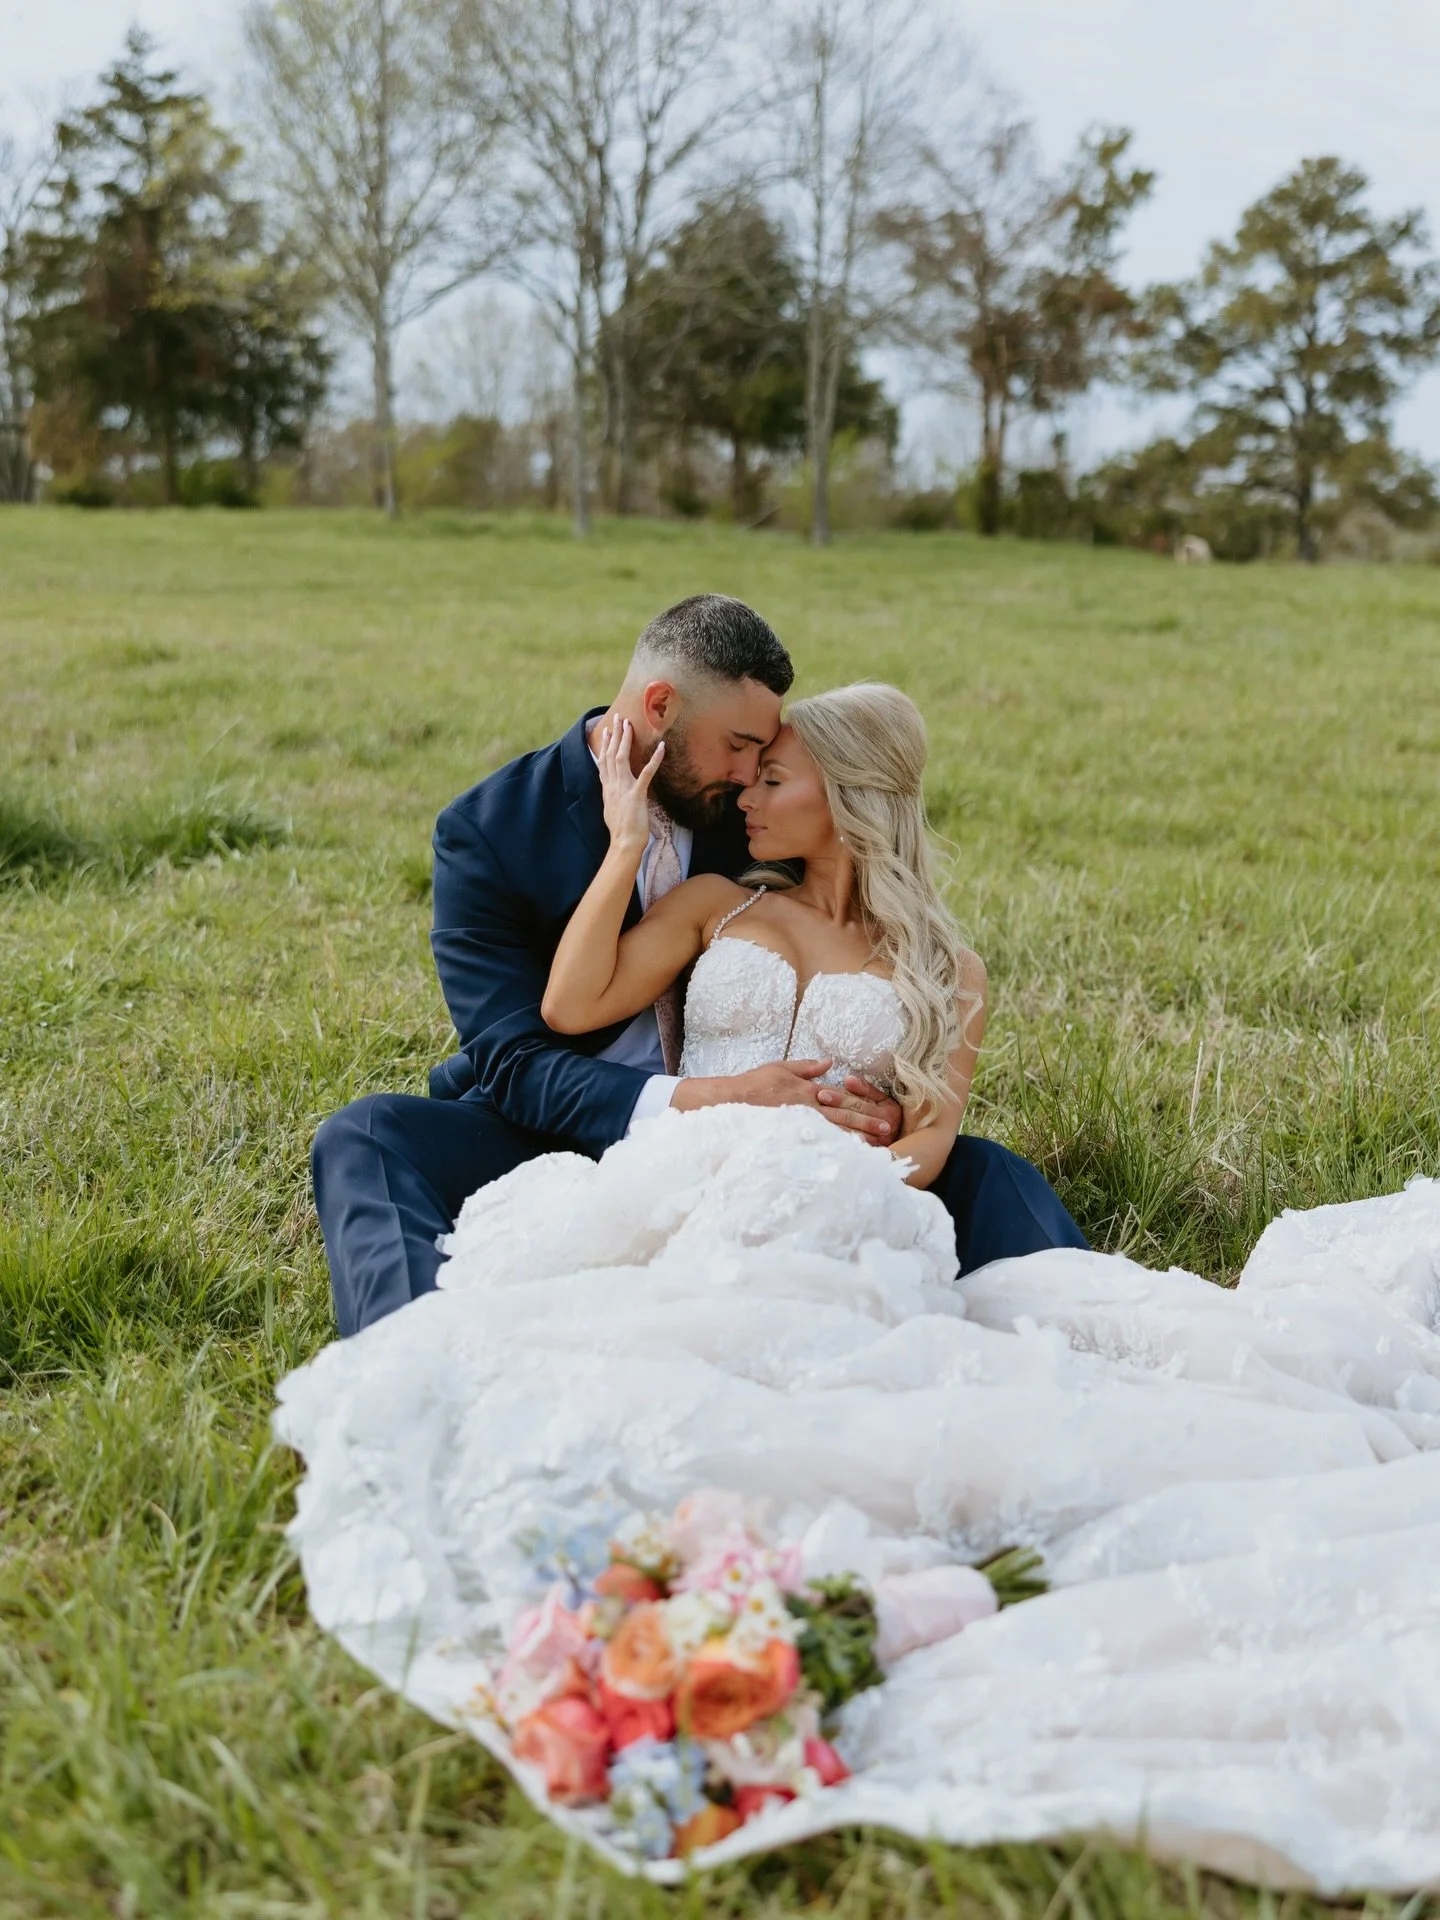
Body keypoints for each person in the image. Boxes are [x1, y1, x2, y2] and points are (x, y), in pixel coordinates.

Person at [276, 675, 1440, 1889]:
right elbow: (569, 1003)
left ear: (849, 797)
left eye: (773, 775)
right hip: (690, 1164)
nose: (746, 794)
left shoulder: (944, 962)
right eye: (753, 769)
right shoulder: (721, 901)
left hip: (838, 1194)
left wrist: (865, 1148)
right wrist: (626, 844)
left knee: (860, 1332)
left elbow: (931, 1147)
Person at [311, 594, 1085, 1335]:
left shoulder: (745, 820)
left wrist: (866, 1125)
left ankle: (1073, 1333)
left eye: (766, 759)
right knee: (367, 1135)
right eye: (742, 749)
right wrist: (717, 1097)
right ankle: (408, 1350)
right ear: (660, 709)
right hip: (567, 1129)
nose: (751, 777)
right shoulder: (489, 833)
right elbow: (519, 1059)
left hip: (807, 1159)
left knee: (992, 1173)